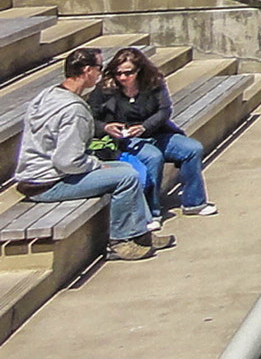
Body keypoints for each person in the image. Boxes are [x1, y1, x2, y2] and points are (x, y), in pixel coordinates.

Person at [15, 47, 167, 261]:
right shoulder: (73, 111)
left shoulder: (48, 95)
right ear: (87, 70)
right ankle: (120, 241)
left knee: (127, 168)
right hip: (47, 183)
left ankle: (142, 235)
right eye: (99, 67)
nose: (101, 73)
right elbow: (67, 161)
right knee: (127, 177)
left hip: (39, 174)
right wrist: (96, 165)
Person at [90, 47, 214, 228]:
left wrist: (144, 126)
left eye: (128, 73)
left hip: (157, 132)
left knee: (192, 149)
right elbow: (90, 118)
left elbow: (164, 111)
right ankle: (152, 212)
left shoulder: (153, 83)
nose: (123, 77)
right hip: (126, 138)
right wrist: (107, 127)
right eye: (119, 73)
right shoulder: (105, 89)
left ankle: (194, 202)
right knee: (153, 157)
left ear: (139, 70)